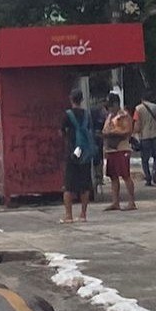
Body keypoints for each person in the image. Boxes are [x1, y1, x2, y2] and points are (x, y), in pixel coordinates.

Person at [61, 90, 97, 222]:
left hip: (73, 152)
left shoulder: (67, 115)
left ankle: (68, 216)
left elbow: (61, 131)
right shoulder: (87, 115)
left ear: (71, 99)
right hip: (85, 152)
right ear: (81, 100)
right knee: (85, 185)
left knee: (68, 185)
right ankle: (83, 214)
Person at [101, 93, 137, 211]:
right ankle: (115, 202)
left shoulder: (124, 116)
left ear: (116, 104)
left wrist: (112, 133)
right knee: (113, 176)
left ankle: (131, 202)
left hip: (121, 148)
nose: (109, 109)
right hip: (111, 149)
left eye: (110, 106)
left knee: (125, 175)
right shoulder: (110, 116)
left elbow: (127, 131)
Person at [132, 94, 156, 186]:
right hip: (155, 135)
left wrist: (134, 134)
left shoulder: (138, 109)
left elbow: (137, 124)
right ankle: (155, 170)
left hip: (144, 136)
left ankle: (148, 178)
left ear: (142, 99)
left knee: (145, 159)